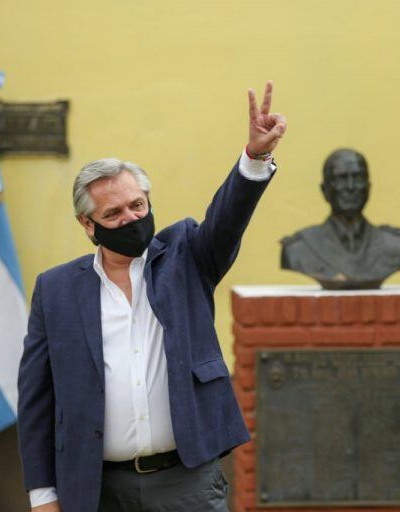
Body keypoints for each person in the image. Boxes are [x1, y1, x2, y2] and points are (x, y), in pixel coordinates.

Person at [17, 82, 287, 512]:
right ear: (88, 225)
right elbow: (36, 399)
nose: (130, 218)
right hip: (95, 488)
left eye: (137, 205)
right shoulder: (56, 290)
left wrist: (254, 158)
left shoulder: (187, 256)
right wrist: (43, 495)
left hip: (185, 482)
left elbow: (227, 218)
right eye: (114, 213)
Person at [280, 148, 400, 289]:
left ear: (368, 187)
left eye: (358, 178)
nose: (350, 187)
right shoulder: (298, 249)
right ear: (325, 190)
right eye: (341, 179)